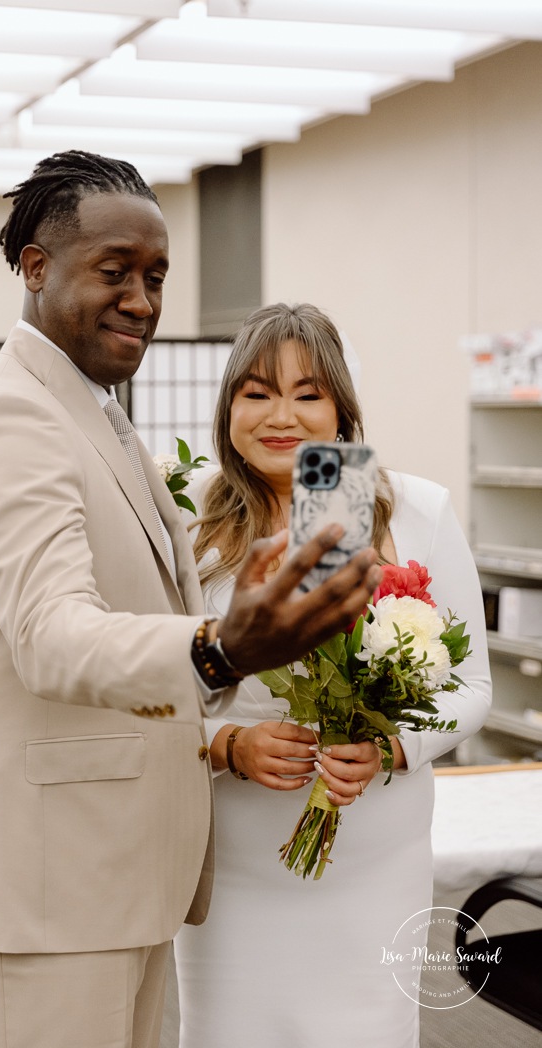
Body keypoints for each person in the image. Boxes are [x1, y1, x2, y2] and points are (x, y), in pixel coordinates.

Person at [0, 155, 383, 1048]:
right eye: (113, 271)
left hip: (110, 873)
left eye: (155, 276)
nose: (142, 300)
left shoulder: (91, 411)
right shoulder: (7, 416)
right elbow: (51, 635)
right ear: (36, 268)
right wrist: (221, 649)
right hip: (47, 885)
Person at [174, 302, 492, 1048]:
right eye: (256, 392)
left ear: (340, 408)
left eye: (306, 393)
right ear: (228, 410)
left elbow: (472, 686)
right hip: (235, 866)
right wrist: (226, 744)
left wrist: (391, 747)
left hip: (372, 862)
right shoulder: (190, 529)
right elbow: (150, 697)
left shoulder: (415, 509)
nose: (280, 415)